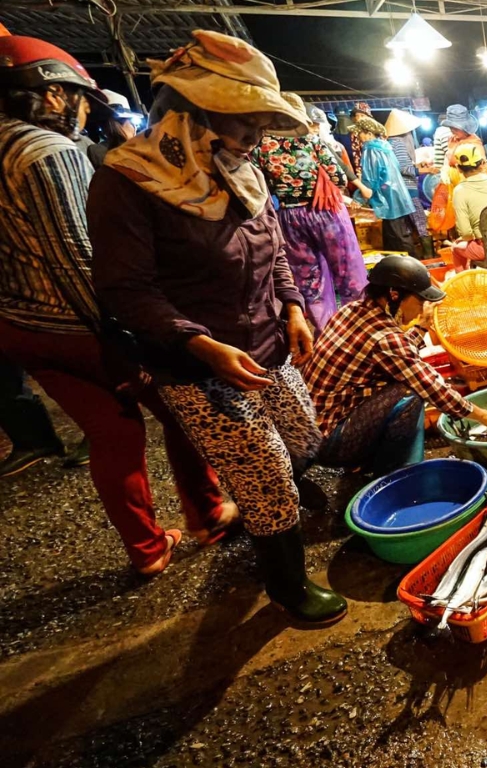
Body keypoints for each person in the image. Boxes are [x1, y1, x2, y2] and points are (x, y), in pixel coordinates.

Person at [89, 30, 344, 623]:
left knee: (302, 436)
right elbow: (126, 291)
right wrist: (200, 344)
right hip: (198, 367)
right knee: (265, 474)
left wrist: (294, 307)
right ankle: (287, 584)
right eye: (244, 124)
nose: (255, 141)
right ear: (192, 114)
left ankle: (275, 503)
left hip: (269, 345)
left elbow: (273, 245)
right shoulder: (128, 183)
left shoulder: (240, 174)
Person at [1, 33, 235, 575]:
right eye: (80, 100)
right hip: (82, 323)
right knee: (185, 406)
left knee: (112, 433)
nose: (83, 114)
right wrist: (131, 336)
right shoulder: (47, 150)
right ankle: (207, 513)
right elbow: (80, 255)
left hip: (20, 325)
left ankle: (148, 550)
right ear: (54, 95)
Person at [302, 256, 487, 475]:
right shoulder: (387, 339)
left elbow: (396, 355)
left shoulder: (351, 310)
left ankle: (366, 463)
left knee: (394, 380)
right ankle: (401, 475)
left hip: (311, 433)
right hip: (330, 443)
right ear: (394, 294)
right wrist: (483, 415)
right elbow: (429, 386)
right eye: (420, 302)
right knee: (409, 393)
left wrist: (422, 326)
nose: (421, 310)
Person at [250, 94, 368, 331]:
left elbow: (260, 186)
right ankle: (360, 329)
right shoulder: (311, 141)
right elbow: (339, 177)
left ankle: (327, 333)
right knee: (349, 274)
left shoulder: (260, 147)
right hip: (326, 213)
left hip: (290, 217)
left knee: (310, 282)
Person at [351, 114, 422, 258]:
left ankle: (414, 270)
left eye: (359, 133)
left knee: (399, 239)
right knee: (394, 238)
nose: (357, 136)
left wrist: (358, 198)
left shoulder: (371, 149)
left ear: (369, 133)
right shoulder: (384, 146)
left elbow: (371, 178)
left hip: (389, 199)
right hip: (396, 196)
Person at [434, 104, 478, 170]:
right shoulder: (451, 139)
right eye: (451, 127)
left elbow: (477, 166)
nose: (452, 130)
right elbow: (443, 163)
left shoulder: (474, 140)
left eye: (455, 128)